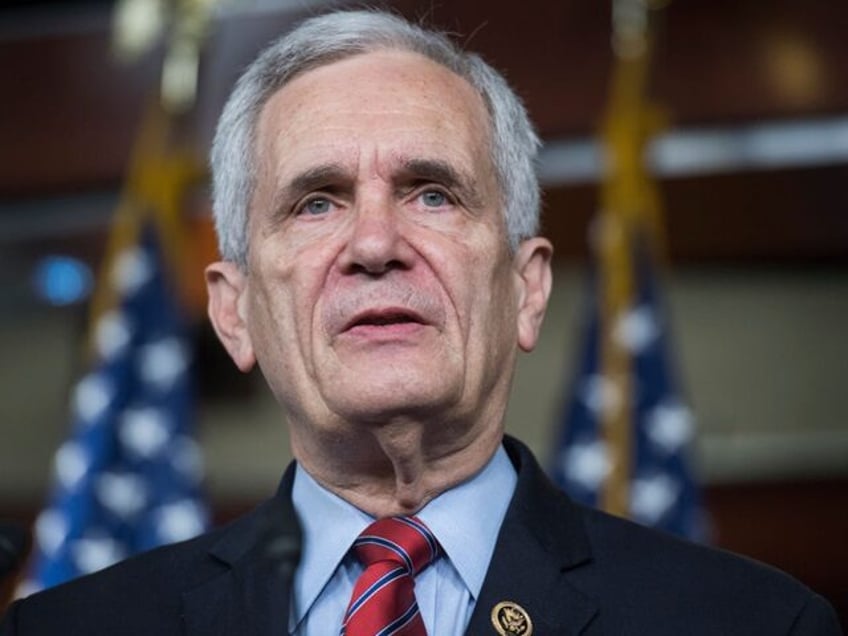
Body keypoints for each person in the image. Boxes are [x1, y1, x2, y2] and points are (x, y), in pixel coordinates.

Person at [0, 9, 841, 636]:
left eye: (433, 193)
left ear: (527, 288)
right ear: (234, 312)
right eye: (315, 201)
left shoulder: (753, 624)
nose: (374, 243)